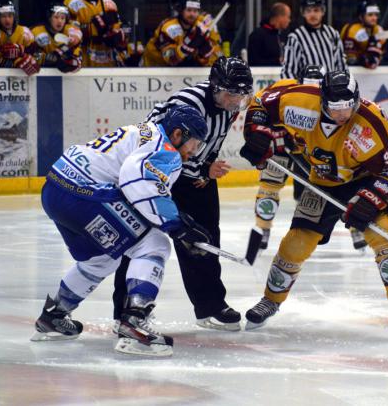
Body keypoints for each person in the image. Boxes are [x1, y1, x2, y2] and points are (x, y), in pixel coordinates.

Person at [239, 71, 388, 337]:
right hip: (322, 182)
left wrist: (370, 200)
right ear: (322, 101)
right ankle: (270, 300)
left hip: (364, 181)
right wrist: (257, 131)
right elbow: (261, 103)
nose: (343, 114)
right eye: (335, 108)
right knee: (295, 243)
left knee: (385, 235)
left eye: (348, 106)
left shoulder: (371, 122)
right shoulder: (301, 103)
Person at [31, 105, 210, 357]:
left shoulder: (146, 132)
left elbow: (138, 188)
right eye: (195, 143)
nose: (195, 151)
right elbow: (138, 180)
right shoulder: (166, 148)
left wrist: (174, 220)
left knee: (101, 258)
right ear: (179, 133)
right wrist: (177, 226)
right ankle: (134, 321)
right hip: (85, 195)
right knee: (154, 244)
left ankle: (54, 315)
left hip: (56, 188)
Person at [113, 57, 254, 332]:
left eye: (241, 95)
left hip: (194, 176)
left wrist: (202, 172)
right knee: (139, 239)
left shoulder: (229, 105)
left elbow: (210, 144)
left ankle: (210, 306)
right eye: (230, 94)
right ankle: (124, 312)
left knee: (203, 237)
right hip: (153, 174)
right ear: (215, 87)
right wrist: (203, 168)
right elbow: (163, 148)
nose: (236, 101)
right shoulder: (188, 105)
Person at [250, 64, 323, 250]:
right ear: (298, 83)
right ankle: (262, 229)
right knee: (269, 187)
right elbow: (259, 104)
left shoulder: (330, 100)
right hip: (281, 148)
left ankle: (349, 228)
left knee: (324, 190)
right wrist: (271, 131)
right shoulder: (282, 88)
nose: (311, 93)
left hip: (310, 151)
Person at [141, 0, 214, 67]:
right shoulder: (168, 27)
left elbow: (205, 61)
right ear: (181, 10)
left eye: (195, 11)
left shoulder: (201, 26)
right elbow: (170, 59)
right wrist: (186, 47)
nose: (192, 14)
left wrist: (205, 51)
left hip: (179, 71)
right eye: (189, 10)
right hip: (152, 69)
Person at [280, 0, 346, 80]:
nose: (312, 14)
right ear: (303, 13)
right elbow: (288, 71)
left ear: (323, 12)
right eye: (308, 11)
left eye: (316, 10)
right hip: (306, 90)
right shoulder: (295, 38)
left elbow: (341, 65)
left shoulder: (333, 34)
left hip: (331, 90)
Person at [64, 0, 127, 67]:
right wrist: (93, 29)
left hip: (108, 58)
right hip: (84, 57)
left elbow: (119, 29)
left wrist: (115, 34)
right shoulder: (71, 3)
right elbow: (66, 28)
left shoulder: (109, 3)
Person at [0, 0, 39, 76]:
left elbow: (36, 54)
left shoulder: (25, 32)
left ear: (14, 16)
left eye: (10, 16)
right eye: (3, 16)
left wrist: (23, 55)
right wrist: (1, 61)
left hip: (20, 78)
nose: (7, 19)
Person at [31, 4, 83, 73]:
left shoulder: (70, 29)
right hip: (42, 74)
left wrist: (69, 56)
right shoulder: (37, 31)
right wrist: (46, 58)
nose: (59, 21)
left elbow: (76, 41)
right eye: (56, 17)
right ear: (49, 18)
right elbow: (32, 54)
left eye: (62, 18)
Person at [340, 0, 386, 69]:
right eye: (370, 15)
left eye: (376, 15)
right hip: (350, 71)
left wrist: (373, 50)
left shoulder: (378, 29)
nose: (374, 18)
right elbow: (350, 60)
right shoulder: (352, 30)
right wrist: (366, 54)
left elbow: (375, 60)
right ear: (361, 17)